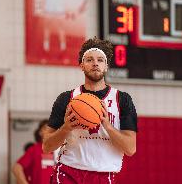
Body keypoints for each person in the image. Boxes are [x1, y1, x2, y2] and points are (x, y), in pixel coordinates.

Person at [42, 37, 137, 184]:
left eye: (100, 60)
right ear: (81, 65)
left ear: (106, 66)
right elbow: (47, 146)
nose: (95, 64)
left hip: (103, 175)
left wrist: (107, 126)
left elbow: (130, 148)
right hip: (69, 170)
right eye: (89, 60)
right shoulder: (67, 98)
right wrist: (66, 127)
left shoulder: (122, 99)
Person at [12, 120, 55, 184]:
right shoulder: (34, 149)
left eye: (53, 129)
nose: (49, 131)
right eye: (46, 128)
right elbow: (16, 168)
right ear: (40, 132)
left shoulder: (61, 150)